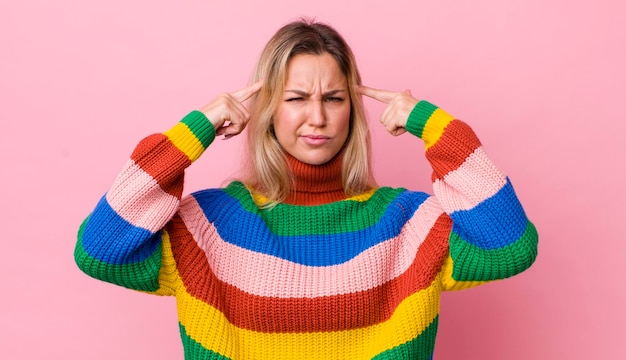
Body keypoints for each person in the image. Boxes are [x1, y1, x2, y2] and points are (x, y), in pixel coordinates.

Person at [75, 18, 538, 360]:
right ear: (269, 109)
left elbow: (510, 246)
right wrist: (197, 127)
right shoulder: (208, 228)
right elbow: (100, 250)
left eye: (334, 99)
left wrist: (433, 125)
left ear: (352, 111)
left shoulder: (409, 224)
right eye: (296, 99)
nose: (316, 118)